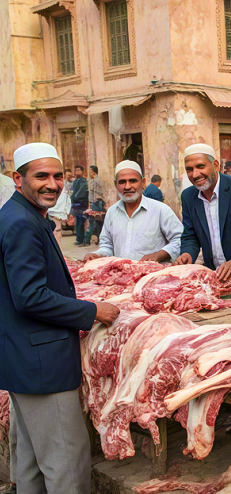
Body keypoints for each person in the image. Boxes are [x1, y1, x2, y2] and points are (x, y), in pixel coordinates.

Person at [0, 142, 118, 494]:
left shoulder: (21, 214)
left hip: (23, 358)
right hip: (41, 363)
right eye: (41, 176)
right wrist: (91, 311)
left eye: (57, 176)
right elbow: (30, 296)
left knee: (33, 462)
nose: (52, 183)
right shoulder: (21, 222)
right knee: (67, 463)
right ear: (18, 178)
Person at [175, 144, 231, 285]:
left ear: (216, 165)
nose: (195, 174)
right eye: (189, 169)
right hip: (213, 279)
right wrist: (187, 254)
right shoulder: (188, 196)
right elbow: (190, 235)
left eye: (200, 166)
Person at [84, 160, 183, 262]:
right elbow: (107, 244)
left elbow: (180, 239)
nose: (127, 186)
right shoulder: (112, 212)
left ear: (143, 183)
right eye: (122, 182)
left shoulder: (160, 210)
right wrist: (98, 255)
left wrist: (159, 255)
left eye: (133, 181)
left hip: (153, 275)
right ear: (115, 184)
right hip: (121, 274)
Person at [87, 164, 106, 244]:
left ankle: (98, 238)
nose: (89, 174)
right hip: (93, 203)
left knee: (97, 221)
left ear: (94, 172)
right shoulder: (93, 180)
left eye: (90, 172)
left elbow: (98, 192)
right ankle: (95, 238)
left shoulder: (96, 180)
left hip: (97, 203)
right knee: (94, 221)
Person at [70, 164, 88, 246]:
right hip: (75, 205)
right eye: (76, 170)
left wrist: (74, 197)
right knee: (77, 222)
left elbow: (80, 192)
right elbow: (72, 192)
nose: (77, 172)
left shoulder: (84, 181)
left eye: (78, 170)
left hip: (82, 204)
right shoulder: (75, 182)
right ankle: (78, 239)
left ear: (82, 171)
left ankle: (83, 239)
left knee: (82, 222)